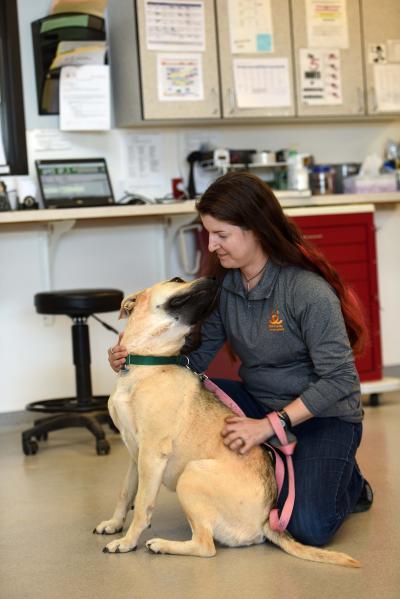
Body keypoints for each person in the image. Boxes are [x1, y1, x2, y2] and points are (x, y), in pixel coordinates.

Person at [108, 171, 373, 547]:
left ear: (257, 229)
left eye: (222, 235)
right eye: (208, 234)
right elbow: (194, 361)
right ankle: (281, 466)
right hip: (258, 401)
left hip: (322, 416)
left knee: (308, 528)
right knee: (183, 389)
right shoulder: (227, 288)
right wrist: (134, 359)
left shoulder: (307, 292)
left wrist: (268, 427)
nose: (212, 246)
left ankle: (352, 482)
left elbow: (341, 381)